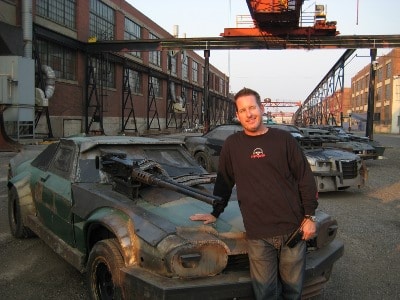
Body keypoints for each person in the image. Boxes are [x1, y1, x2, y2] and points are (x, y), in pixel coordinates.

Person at [190, 87, 318, 300]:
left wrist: (310, 216)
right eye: (243, 110)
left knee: (293, 291)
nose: (248, 114)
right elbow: (224, 182)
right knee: (266, 293)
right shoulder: (232, 145)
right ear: (238, 115)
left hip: (292, 229)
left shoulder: (284, 140)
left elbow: (305, 178)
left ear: (262, 108)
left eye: (252, 107)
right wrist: (215, 212)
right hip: (258, 235)